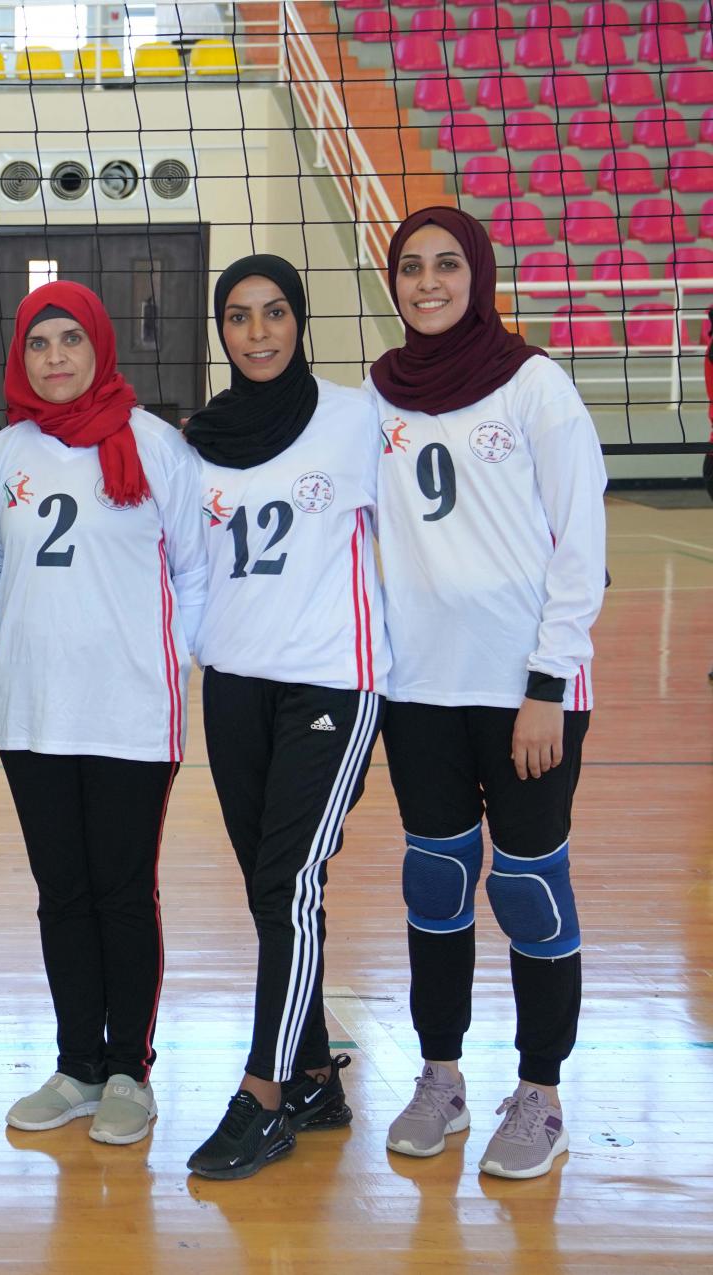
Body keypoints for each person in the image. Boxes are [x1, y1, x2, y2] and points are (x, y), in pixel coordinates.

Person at [365, 207, 608, 1180]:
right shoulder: (376, 397)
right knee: (435, 882)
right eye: (410, 267)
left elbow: (579, 549)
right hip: (418, 690)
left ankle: (539, 1092)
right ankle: (439, 1077)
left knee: (526, 885)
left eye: (444, 266)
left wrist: (546, 683)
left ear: (478, 275)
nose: (426, 282)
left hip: (526, 693)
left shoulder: (533, 386)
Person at [0, 282, 206, 1147]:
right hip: (34, 711)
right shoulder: (5, 454)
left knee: (120, 892)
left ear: (101, 345)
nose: (57, 357)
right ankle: (77, 1063)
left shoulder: (156, 446)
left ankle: (129, 1072)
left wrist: (154, 660)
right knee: (60, 894)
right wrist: (47, 634)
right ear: (21, 357)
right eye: (40, 343)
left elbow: (196, 569)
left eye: (71, 339)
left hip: (130, 713)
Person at [179, 254, 387, 1180]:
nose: (257, 332)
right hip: (233, 683)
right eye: (238, 317)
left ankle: (262, 1096)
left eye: (273, 314)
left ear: (301, 321)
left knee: (290, 891)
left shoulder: (356, 418)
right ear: (219, 331)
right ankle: (314, 1077)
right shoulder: (200, 438)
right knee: (271, 893)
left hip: (330, 684)